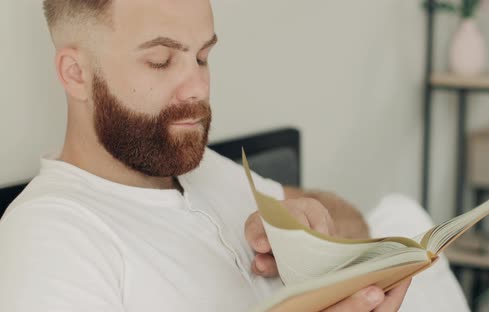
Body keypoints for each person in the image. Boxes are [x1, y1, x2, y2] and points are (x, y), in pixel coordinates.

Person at [0, 0, 414, 311]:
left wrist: (318, 242)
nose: (197, 87)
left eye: (202, 57)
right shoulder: (50, 237)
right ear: (76, 74)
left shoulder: (203, 167)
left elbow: (356, 223)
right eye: (161, 62)